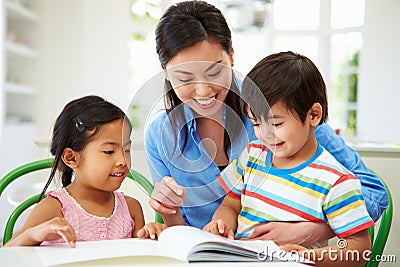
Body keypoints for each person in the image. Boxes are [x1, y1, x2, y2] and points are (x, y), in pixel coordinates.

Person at [145, 0, 387, 246]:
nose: (203, 89)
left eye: (214, 72)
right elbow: (184, 229)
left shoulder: (279, 108)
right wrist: (167, 212)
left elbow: (374, 193)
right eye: (184, 78)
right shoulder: (159, 135)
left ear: (231, 56)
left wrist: (317, 229)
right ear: (165, 72)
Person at [203, 51, 374, 266]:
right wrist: (222, 223)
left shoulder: (335, 181)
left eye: (276, 124)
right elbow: (230, 205)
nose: (265, 134)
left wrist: (311, 257)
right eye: (256, 123)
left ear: (313, 115)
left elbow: (359, 249)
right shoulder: (252, 156)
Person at [4, 95, 166, 247]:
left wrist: (151, 236)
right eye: (109, 151)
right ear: (71, 158)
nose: (123, 161)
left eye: (127, 150)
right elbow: (6, 254)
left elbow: (138, 257)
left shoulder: (132, 208)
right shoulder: (54, 208)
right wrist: (33, 235)